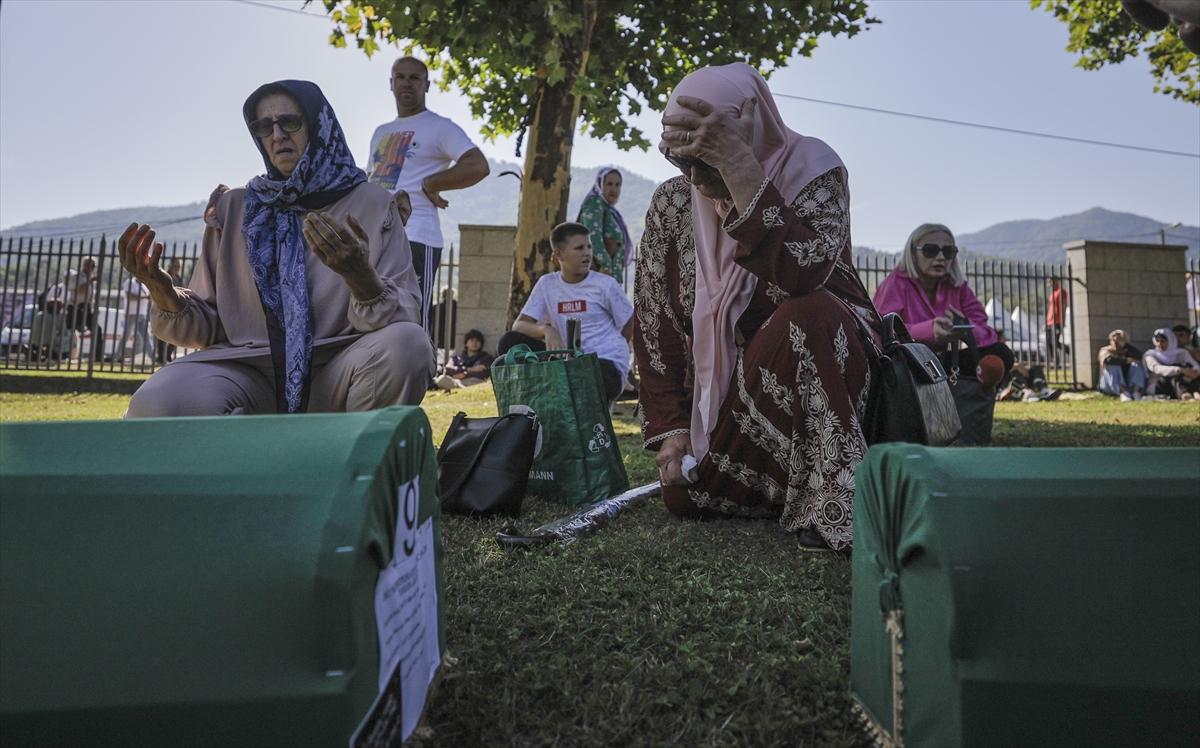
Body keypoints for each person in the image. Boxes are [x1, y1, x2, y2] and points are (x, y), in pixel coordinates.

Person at [634, 63, 878, 552]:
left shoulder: (815, 170)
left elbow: (802, 272)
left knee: (808, 315)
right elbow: (655, 325)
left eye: (706, 160)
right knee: (682, 498)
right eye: (681, 162)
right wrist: (672, 432)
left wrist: (741, 170)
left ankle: (832, 498)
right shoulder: (673, 204)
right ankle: (776, 489)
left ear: (750, 128)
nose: (696, 179)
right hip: (737, 406)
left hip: (833, 369)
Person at [123, 79, 432, 417]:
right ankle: (248, 448)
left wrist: (360, 277)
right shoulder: (234, 208)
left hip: (339, 370)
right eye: (264, 126)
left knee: (407, 346)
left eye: (290, 122)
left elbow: (406, 315)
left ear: (318, 125)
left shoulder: (373, 203)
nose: (277, 135)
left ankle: (345, 448)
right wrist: (163, 290)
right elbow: (208, 326)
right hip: (249, 371)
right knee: (157, 400)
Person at [367, 56, 490, 330]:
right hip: (375, 236)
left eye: (414, 78)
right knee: (374, 318)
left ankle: (421, 360)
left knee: (411, 320)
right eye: (400, 77)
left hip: (416, 235)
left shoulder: (439, 127)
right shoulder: (381, 132)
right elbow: (372, 180)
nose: (406, 83)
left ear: (427, 85)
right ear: (391, 83)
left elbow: (478, 165)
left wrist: (431, 184)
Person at [498, 221, 633, 403]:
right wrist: (546, 330)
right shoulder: (547, 284)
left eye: (589, 246)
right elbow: (519, 325)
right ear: (558, 254)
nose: (587, 253)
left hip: (603, 364)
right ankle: (540, 396)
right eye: (579, 248)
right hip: (565, 362)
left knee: (588, 372)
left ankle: (555, 387)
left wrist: (617, 346)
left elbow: (630, 320)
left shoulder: (605, 285)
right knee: (510, 342)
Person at [576, 167, 634, 286]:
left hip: (607, 279)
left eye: (617, 185)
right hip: (599, 277)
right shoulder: (594, 204)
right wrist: (607, 267)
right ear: (599, 184)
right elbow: (593, 238)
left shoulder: (609, 210)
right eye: (609, 184)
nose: (613, 189)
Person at [1143, 328, 1200, 400]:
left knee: (1185, 375)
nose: (1159, 344)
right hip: (1159, 384)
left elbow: (1195, 366)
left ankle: (1192, 393)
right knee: (1175, 376)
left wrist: (1194, 373)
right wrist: (1180, 370)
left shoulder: (1181, 353)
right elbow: (1156, 368)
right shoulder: (1150, 354)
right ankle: (1185, 394)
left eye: (1163, 341)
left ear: (1170, 340)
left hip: (1182, 382)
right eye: (1157, 341)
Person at [1096, 329, 1146, 401]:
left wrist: (1126, 346)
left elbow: (1140, 356)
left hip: (1127, 383)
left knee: (1137, 365)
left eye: (1119, 340)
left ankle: (1136, 392)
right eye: (1114, 340)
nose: (1116, 343)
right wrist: (1126, 360)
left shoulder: (1127, 350)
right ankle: (1123, 392)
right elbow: (1109, 360)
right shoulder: (1105, 350)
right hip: (1108, 384)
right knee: (1114, 366)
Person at [154, 258, 185, 364]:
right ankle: (161, 356)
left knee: (176, 333)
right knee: (163, 333)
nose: (178, 268)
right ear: (171, 265)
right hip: (165, 307)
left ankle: (168, 355)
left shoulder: (178, 278)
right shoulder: (165, 275)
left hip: (176, 309)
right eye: (176, 265)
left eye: (179, 266)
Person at [119, 274, 151, 362]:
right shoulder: (130, 282)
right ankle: (118, 356)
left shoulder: (144, 286)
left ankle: (152, 356)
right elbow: (130, 296)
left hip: (142, 314)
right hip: (131, 313)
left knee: (146, 336)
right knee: (126, 335)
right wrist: (145, 297)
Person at [1045, 276, 1068, 361]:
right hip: (1049, 322)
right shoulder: (1052, 294)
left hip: (1057, 321)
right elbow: (1050, 308)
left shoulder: (1061, 292)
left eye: (1050, 281)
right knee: (1049, 343)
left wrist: (1063, 322)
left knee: (1055, 342)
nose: (1049, 284)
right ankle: (1055, 361)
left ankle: (1070, 352)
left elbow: (1064, 307)